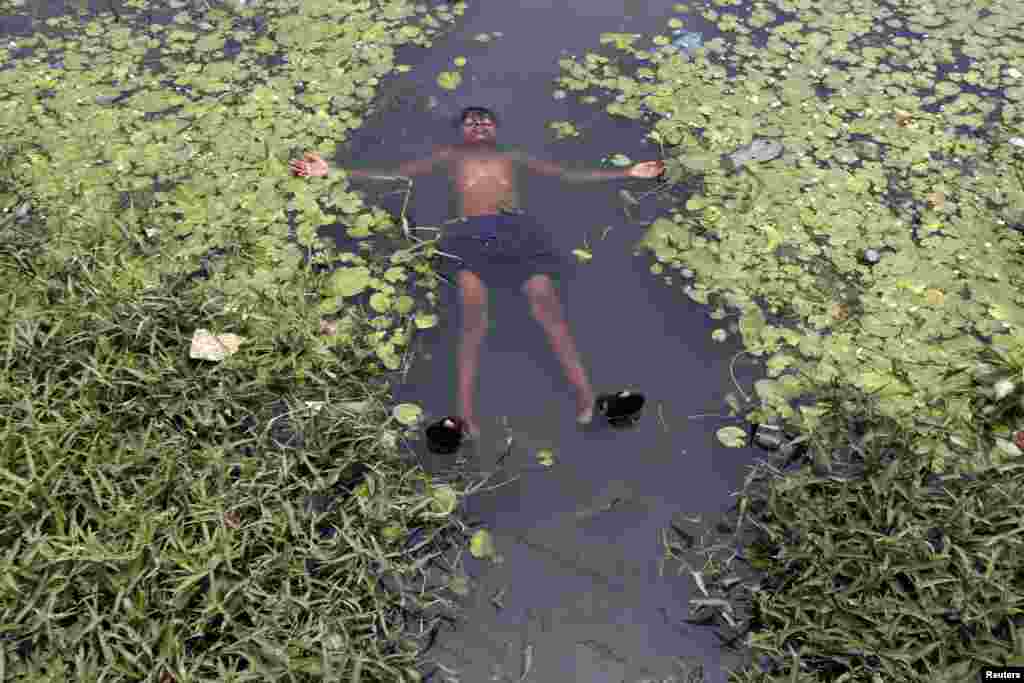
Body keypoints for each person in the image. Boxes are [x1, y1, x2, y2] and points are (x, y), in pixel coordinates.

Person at [290, 106, 664, 440]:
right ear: (461, 132)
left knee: (547, 308)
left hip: (516, 231)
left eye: (486, 121)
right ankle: (465, 417)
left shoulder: (513, 156)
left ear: (497, 130)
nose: (480, 125)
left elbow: (566, 175)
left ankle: (589, 401)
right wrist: (333, 171)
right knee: (473, 318)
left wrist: (628, 171)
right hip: (467, 233)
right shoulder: (450, 155)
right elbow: (395, 176)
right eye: (471, 122)